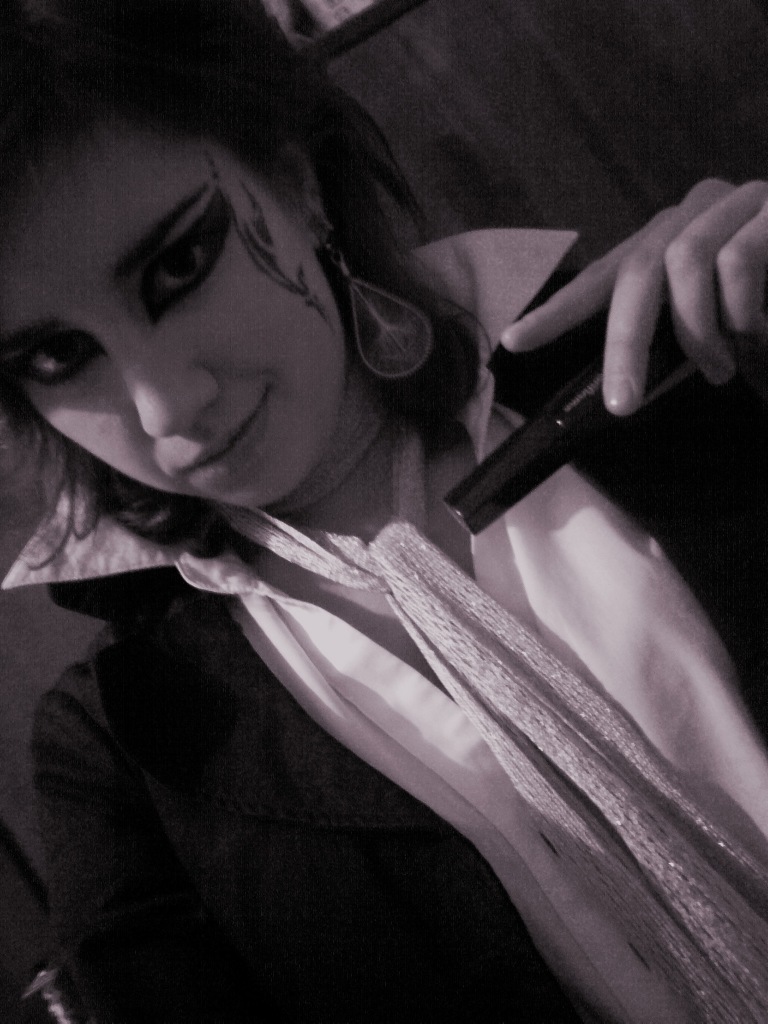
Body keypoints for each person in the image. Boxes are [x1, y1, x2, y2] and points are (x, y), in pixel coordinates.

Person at [0, 2, 767, 1021]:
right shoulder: (117, 747)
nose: (165, 406)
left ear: (298, 180)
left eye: (178, 266)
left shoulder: (662, 358)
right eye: (58, 355)